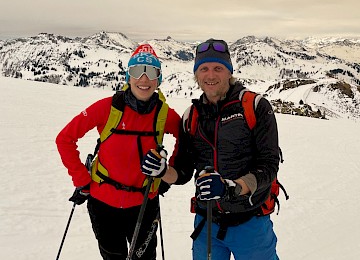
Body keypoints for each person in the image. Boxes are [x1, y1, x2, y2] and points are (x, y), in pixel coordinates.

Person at [56, 44, 181, 260]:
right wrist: (81, 178)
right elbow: (65, 139)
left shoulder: (164, 115)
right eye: (136, 71)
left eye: (151, 72)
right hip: (103, 203)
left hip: (144, 203)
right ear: (128, 77)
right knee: (113, 256)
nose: (144, 79)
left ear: (158, 79)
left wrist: (167, 174)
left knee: (145, 257)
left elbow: (186, 140)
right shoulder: (107, 108)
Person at [159, 39, 281, 259]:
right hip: (207, 223)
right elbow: (183, 171)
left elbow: (269, 165)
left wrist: (231, 187)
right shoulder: (191, 116)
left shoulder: (255, 107)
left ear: (229, 72)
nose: (211, 75)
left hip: (250, 221)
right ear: (197, 75)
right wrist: (162, 172)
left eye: (218, 68)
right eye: (204, 69)